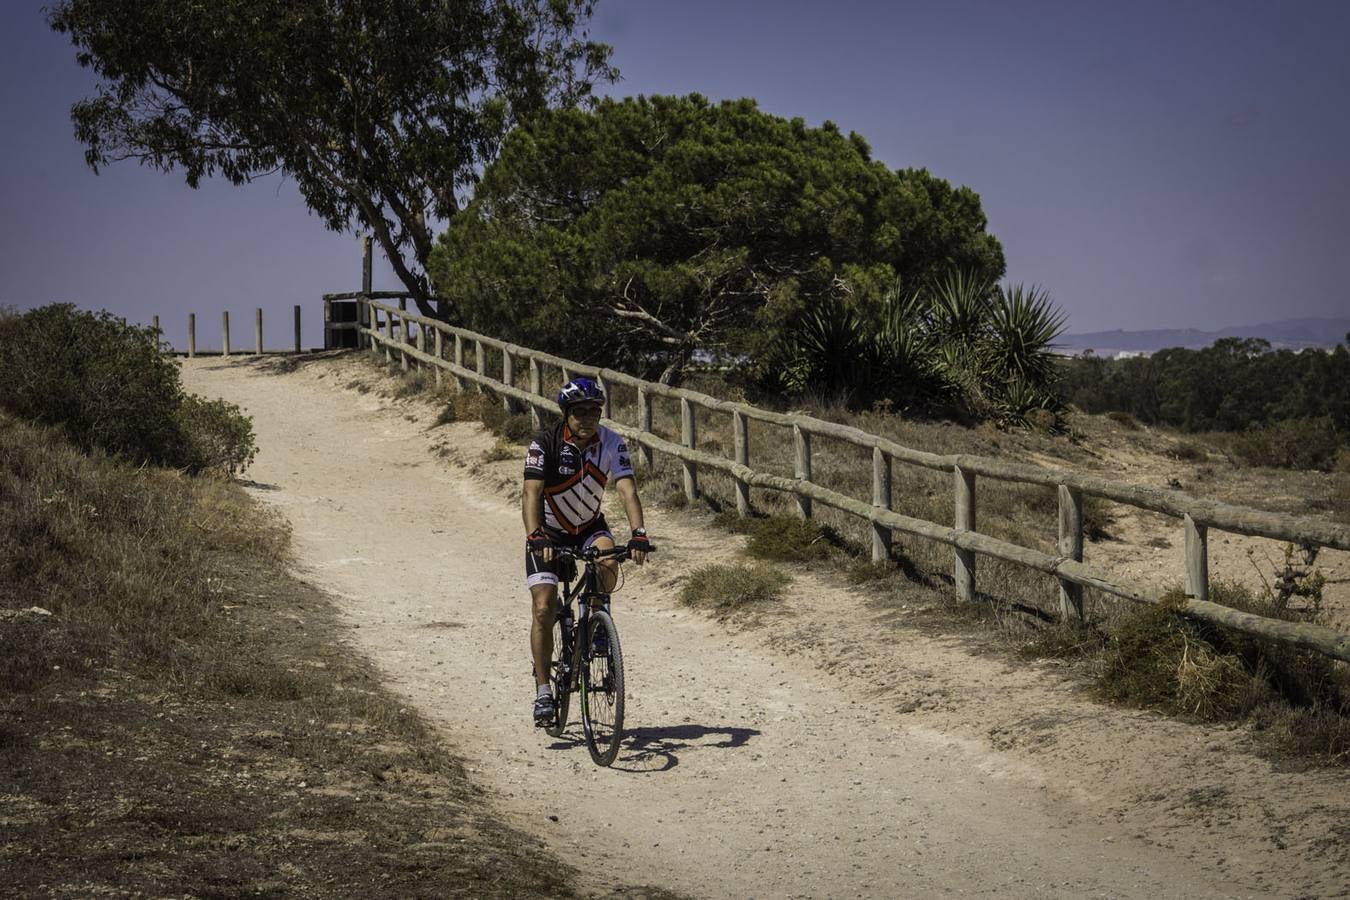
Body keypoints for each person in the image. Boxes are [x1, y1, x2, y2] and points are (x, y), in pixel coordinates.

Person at [523, 377, 649, 726]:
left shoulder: (611, 442)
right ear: (566, 414)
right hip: (547, 533)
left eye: (594, 411)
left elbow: (627, 490)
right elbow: (530, 493)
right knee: (544, 607)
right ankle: (544, 690)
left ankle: (597, 621)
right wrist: (536, 536)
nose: (588, 418)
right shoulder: (544, 444)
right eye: (579, 412)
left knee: (609, 557)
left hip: (589, 528)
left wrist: (638, 533)